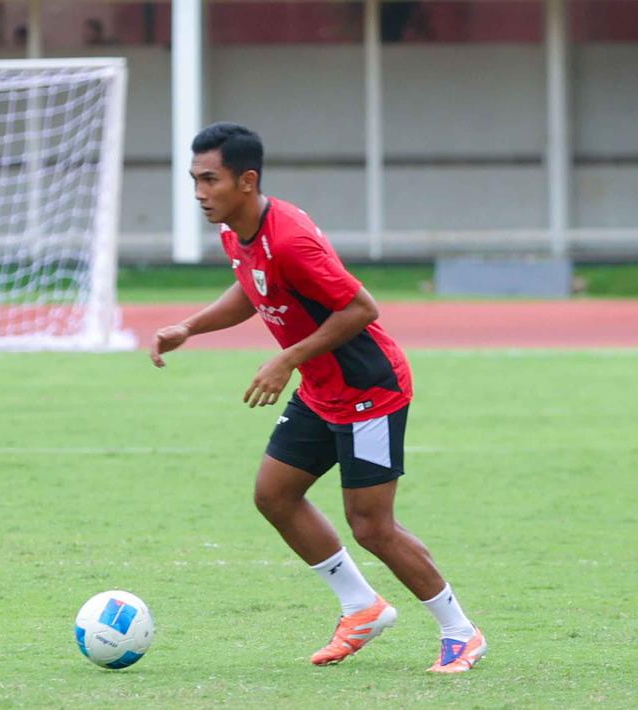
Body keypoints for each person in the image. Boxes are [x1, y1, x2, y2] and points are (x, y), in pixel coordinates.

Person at [151, 123, 486, 673]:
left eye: (210, 180)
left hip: (369, 390)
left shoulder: (289, 237)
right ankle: (362, 607)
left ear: (246, 180)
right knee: (275, 495)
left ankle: (461, 632)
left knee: (372, 525)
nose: (199, 193)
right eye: (194, 180)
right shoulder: (237, 231)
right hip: (322, 387)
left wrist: (285, 358)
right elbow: (253, 288)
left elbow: (361, 309)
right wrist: (189, 327)